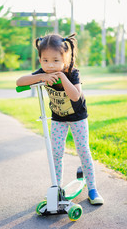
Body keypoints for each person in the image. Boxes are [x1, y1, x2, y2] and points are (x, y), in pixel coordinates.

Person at [16, 33, 104, 205]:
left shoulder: (72, 73)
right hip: (58, 118)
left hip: (78, 117)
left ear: (65, 58)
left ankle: (92, 188)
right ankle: (57, 188)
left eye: (56, 60)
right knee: (56, 152)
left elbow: (75, 96)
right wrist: (41, 77)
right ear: (40, 60)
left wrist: (62, 77)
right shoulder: (44, 72)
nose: (50, 65)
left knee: (83, 150)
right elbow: (20, 81)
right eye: (45, 60)